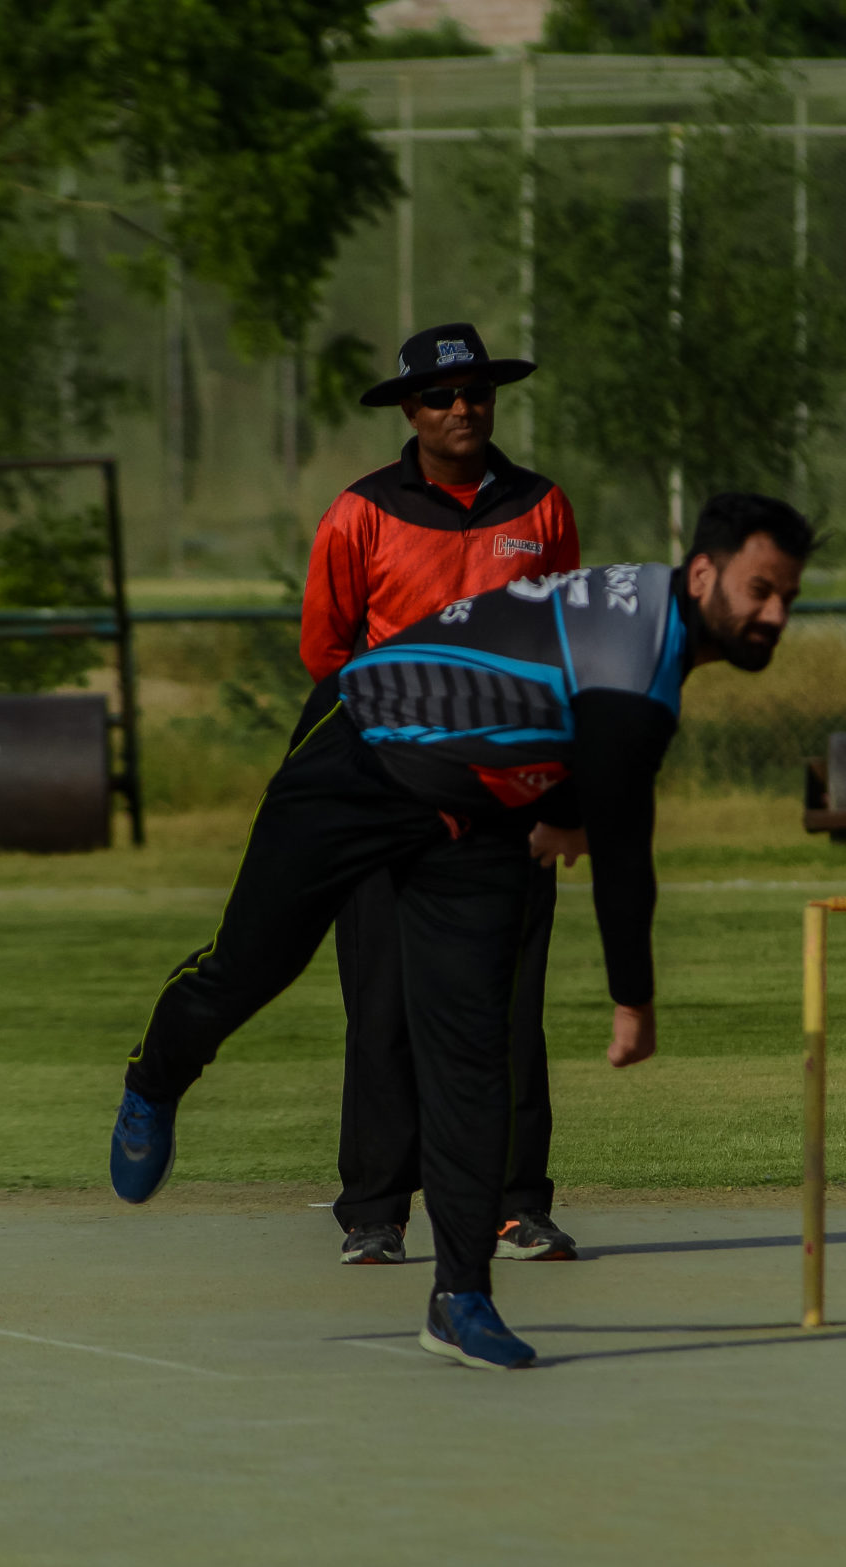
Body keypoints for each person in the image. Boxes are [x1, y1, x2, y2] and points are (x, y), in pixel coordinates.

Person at [109, 493, 821, 1370]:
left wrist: (563, 811)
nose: (775, 615)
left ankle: (460, 1296)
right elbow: (622, 836)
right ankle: (154, 1078)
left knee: (473, 1055)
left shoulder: (652, 620)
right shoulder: (640, 656)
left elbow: (559, 706)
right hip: (365, 744)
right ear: (704, 573)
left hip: (474, 818)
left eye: (788, 597)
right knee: (251, 968)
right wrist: (633, 999)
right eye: (761, 591)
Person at [298, 323, 584, 1268]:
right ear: (410, 411)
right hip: (389, 790)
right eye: (440, 396)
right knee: (382, 1005)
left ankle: (516, 1204)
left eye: (476, 392)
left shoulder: (540, 505)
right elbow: (326, 650)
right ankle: (375, 1210)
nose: (462, 408)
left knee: (507, 1008)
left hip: (507, 793)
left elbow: (562, 642)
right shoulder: (362, 513)